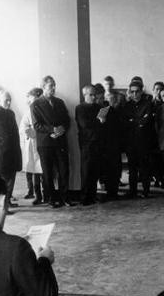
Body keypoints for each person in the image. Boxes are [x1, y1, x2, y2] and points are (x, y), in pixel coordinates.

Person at [31, 75, 74, 208]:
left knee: (64, 170)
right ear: (44, 88)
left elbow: (67, 120)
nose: (54, 88)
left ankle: (65, 198)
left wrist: (62, 129)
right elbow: (37, 125)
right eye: (51, 86)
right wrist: (52, 130)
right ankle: (51, 199)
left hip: (60, 141)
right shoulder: (35, 104)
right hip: (45, 143)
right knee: (48, 173)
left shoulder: (59, 102)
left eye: (54, 85)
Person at [123, 80, 157, 198]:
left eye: (137, 91)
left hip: (144, 142)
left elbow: (147, 121)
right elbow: (126, 123)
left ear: (142, 91)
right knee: (132, 169)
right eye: (132, 92)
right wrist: (139, 120)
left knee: (144, 168)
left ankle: (146, 191)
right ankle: (133, 191)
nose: (135, 94)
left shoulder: (148, 104)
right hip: (131, 142)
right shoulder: (126, 105)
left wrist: (133, 121)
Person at [75, 85, 102, 205]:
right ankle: (85, 198)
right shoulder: (80, 108)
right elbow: (84, 124)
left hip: (97, 142)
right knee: (86, 170)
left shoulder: (98, 107)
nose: (94, 96)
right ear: (84, 95)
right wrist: (99, 121)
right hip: (86, 143)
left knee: (95, 170)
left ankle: (93, 195)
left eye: (94, 94)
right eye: (91, 94)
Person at [19, 88, 46, 205]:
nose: (29, 101)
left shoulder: (43, 110)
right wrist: (28, 131)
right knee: (34, 170)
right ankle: (37, 195)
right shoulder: (28, 112)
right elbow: (22, 127)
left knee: (44, 170)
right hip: (32, 144)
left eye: (32, 97)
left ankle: (47, 194)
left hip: (42, 141)